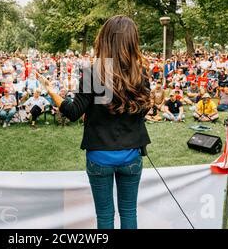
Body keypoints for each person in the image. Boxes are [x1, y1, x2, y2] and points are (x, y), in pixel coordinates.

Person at [38, 15, 151, 229]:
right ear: (131, 41)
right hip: (131, 155)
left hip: (100, 155)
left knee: (105, 217)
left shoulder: (94, 73)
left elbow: (72, 112)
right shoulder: (139, 73)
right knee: (129, 213)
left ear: (104, 40)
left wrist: (51, 91)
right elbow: (142, 111)